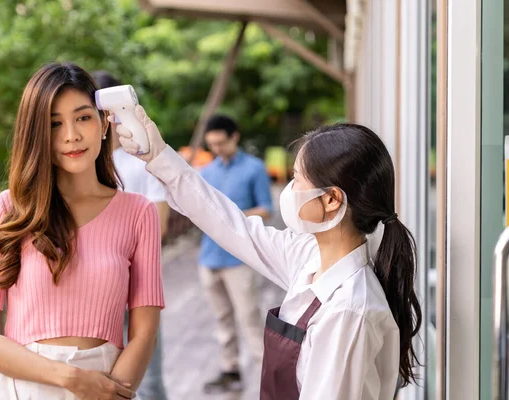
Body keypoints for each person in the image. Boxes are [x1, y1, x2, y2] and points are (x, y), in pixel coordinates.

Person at [113, 106, 422, 400]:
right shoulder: (309, 257)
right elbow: (230, 225)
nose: (289, 189)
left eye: (297, 178)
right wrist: (158, 155)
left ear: (331, 200)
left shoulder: (348, 311)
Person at [0, 63, 164, 400]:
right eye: (54, 124)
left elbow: (144, 334)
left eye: (83, 117)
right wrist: (71, 378)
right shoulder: (7, 210)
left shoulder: (139, 213)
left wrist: (111, 391)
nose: (71, 135)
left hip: (109, 385)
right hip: (21, 388)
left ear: (104, 124)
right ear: (37, 133)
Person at [92, 70, 170, 400]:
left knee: (146, 379)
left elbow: (160, 224)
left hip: (136, 285)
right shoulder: (80, 164)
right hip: (91, 292)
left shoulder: (141, 159)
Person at [197, 115, 271, 393]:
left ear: (234, 137)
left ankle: (267, 376)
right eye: (212, 144)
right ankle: (230, 370)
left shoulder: (254, 168)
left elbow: (266, 209)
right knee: (222, 319)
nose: (216, 148)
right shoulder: (207, 171)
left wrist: (231, 216)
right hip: (209, 258)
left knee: (249, 316)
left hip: (239, 259)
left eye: (221, 143)